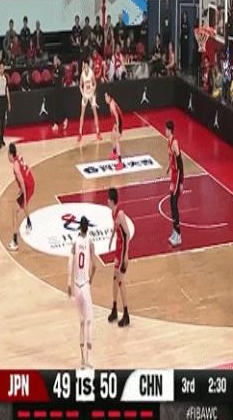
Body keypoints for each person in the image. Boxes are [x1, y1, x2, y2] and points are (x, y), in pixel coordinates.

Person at [67, 216, 96, 369]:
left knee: (81, 323)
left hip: (76, 287)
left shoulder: (74, 241)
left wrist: (68, 283)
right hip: (85, 285)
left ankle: (82, 359)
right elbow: (95, 265)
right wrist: (91, 279)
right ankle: (89, 358)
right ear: (88, 228)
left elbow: (70, 263)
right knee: (89, 321)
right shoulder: (90, 242)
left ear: (79, 227)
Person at [107, 188, 130, 327]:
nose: (106, 201)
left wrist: (126, 254)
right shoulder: (113, 213)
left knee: (121, 282)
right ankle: (114, 308)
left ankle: (126, 314)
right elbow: (115, 227)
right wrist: (111, 239)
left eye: (108, 199)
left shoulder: (120, 214)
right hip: (117, 248)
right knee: (115, 279)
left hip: (122, 251)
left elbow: (127, 234)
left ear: (111, 200)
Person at [7, 143, 34, 252]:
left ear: (10, 154)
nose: (7, 157)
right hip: (31, 183)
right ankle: (29, 222)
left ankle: (15, 242)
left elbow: (22, 181)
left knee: (14, 211)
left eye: (7, 154)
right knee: (22, 204)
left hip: (27, 187)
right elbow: (27, 169)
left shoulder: (15, 166)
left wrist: (25, 196)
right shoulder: (19, 157)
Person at [165, 120, 184, 247]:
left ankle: (178, 235)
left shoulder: (174, 143)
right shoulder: (168, 142)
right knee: (171, 204)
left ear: (170, 130)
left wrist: (181, 181)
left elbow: (180, 162)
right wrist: (168, 168)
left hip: (177, 176)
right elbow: (171, 158)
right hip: (173, 176)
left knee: (174, 204)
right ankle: (174, 231)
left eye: (166, 129)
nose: (164, 131)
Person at [78, 59, 101, 142]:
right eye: (84, 66)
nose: (86, 68)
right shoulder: (82, 74)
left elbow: (95, 84)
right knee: (82, 114)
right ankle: (80, 133)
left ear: (88, 66)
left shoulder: (91, 73)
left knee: (95, 113)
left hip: (91, 94)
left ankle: (98, 132)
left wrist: (92, 93)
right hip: (85, 95)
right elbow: (80, 86)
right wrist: (83, 95)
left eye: (87, 66)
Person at [0, 61, 11, 149]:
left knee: (3, 121)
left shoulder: (6, 77)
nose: (2, 69)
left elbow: (7, 90)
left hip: (4, 99)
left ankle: (2, 138)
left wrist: (9, 102)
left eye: (3, 67)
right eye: (0, 67)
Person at [105, 93, 124, 171]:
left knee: (116, 140)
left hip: (119, 123)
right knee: (112, 136)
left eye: (106, 97)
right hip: (116, 123)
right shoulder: (111, 102)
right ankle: (114, 152)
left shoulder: (112, 105)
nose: (105, 99)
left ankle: (120, 162)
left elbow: (117, 117)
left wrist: (118, 128)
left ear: (109, 97)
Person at [51, 55, 68, 132]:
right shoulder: (54, 69)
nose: (54, 61)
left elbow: (62, 78)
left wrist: (62, 84)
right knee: (55, 106)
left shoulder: (61, 68)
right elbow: (54, 77)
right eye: (53, 60)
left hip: (60, 89)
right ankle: (56, 123)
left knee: (60, 106)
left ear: (58, 60)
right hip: (55, 89)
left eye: (55, 60)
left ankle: (64, 119)